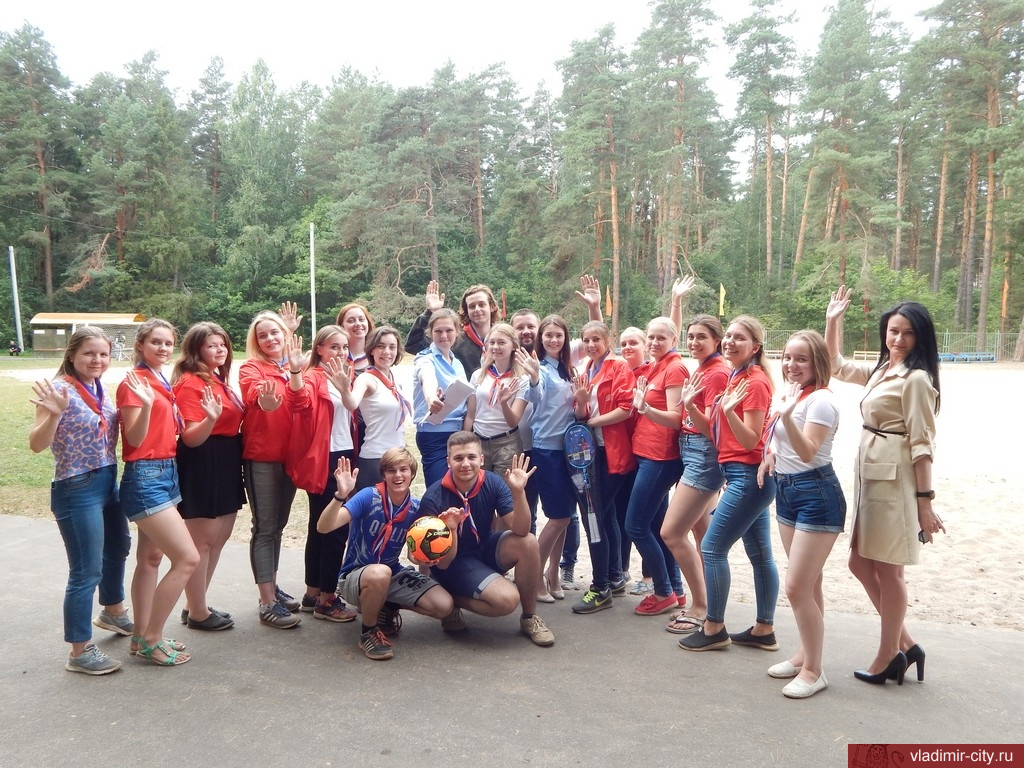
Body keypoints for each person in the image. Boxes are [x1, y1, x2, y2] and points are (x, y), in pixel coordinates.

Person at [825, 287, 944, 686]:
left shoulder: (916, 379)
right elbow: (837, 366)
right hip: (872, 477)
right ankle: (906, 645)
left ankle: (888, 653)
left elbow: (923, 444)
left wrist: (925, 502)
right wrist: (833, 321)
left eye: (908, 333)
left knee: (890, 573)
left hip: (895, 482)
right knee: (859, 563)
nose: (898, 339)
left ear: (920, 337)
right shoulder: (882, 369)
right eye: (893, 331)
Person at [29, 327, 133, 674]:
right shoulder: (58, 390)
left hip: (107, 479)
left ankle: (113, 611)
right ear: (72, 355)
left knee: (118, 548)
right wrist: (54, 414)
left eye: (103, 354)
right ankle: (79, 650)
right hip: (76, 486)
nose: (97, 360)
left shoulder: (99, 387)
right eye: (89, 353)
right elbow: (36, 444)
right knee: (86, 569)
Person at [679, 315, 779, 652]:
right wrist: (691, 405)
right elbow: (715, 431)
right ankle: (764, 629)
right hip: (740, 474)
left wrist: (731, 412)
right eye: (730, 336)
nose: (731, 343)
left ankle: (714, 628)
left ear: (756, 346)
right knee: (760, 554)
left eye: (740, 338)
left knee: (711, 548)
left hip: (748, 476)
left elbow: (750, 440)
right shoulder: (738, 375)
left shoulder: (755, 382)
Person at [758, 330, 846, 698]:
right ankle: (804, 656)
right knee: (810, 584)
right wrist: (769, 456)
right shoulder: (794, 394)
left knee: (796, 587)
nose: (791, 365)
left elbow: (809, 451)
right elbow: (781, 441)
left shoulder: (821, 401)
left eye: (801, 359)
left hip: (816, 494)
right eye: (787, 357)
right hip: (788, 491)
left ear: (817, 363)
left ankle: (814, 671)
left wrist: (787, 415)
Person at [317, 450, 459, 660]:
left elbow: (413, 557)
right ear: (383, 474)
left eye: (403, 470)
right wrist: (340, 495)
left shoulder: (415, 508)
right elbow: (323, 527)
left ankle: (386, 605)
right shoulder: (368, 496)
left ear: (412, 473)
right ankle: (369, 632)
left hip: (391, 574)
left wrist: (427, 557)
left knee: (444, 605)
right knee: (380, 573)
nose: (398, 475)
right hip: (354, 576)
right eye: (391, 470)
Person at [420, 432, 555, 647]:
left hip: (483, 547)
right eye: (458, 458)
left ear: (481, 459)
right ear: (448, 462)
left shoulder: (492, 482)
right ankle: (450, 599)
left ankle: (530, 618)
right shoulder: (434, 497)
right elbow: (441, 562)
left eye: (471, 457)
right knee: (507, 601)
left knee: (528, 542)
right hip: (454, 562)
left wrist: (518, 492)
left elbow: (521, 530)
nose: (466, 464)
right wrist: (451, 529)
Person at [117, 319, 200, 666]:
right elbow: (134, 440)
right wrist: (148, 405)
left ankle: (139, 635)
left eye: (168, 343)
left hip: (167, 472)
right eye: (155, 342)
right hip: (145, 475)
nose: (163, 348)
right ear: (140, 344)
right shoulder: (134, 382)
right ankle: (153, 638)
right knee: (188, 559)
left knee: (150, 559)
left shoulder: (160, 378)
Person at [171, 322, 246, 632]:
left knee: (218, 539)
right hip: (204, 459)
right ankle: (198, 612)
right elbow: (190, 437)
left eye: (223, 344)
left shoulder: (216, 379)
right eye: (212, 345)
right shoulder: (191, 382)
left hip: (226, 457)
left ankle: (195, 603)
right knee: (202, 542)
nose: (220, 349)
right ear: (196, 350)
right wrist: (211, 421)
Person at [660, 313, 730, 635]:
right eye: (690, 336)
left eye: (702, 336)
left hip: (703, 455)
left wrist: (689, 408)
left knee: (672, 533)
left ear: (717, 340)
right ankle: (710, 605)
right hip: (693, 451)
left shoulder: (716, 373)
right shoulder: (703, 368)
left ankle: (700, 606)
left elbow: (713, 429)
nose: (694, 342)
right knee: (703, 535)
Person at [285, 327, 358, 623]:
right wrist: (295, 371)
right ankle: (328, 598)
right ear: (320, 349)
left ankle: (312, 592)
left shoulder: (344, 374)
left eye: (344, 347)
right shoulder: (314, 376)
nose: (340, 352)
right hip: (326, 459)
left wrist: (344, 386)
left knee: (318, 527)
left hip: (343, 452)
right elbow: (298, 401)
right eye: (334, 347)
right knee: (335, 528)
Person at [239, 310, 302, 628]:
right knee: (264, 528)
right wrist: (266, 401)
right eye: (262, 335)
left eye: (274, 332)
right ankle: (266, 602)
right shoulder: (251, 367)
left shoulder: (295, 364)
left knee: (278, 526)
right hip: (262, 457)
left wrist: (288, 335)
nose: (269, 339)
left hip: (290, 458)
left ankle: (272, 588)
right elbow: (256, 397)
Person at [569, 321, 635, 613]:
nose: (591, 344)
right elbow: (580, 411)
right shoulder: (585, 369)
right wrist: (582, 406)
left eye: (596, 339)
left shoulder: (618, 367)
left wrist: (590, 422)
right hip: (592, 453)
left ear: (608, 340)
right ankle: (614, 577)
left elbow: (626, 408)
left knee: (593, 517)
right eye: (586, 340)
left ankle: (600, 587)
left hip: (613, 452)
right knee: (605, 517)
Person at [626, 317, 689, 616]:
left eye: (661, 338)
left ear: (674, 339)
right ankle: (675, 589)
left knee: (635, 526)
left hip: (660, 459)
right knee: (655, 526)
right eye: (650, 336)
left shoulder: (675, 368)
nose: (653, 342)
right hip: (647, 455)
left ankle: (663, 591)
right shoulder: (657, 365)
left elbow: (677, 418)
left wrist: (646, 409)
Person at [521, 315, 579, 604]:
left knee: (565, 517)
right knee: (557, 517)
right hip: (547, 450)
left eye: (559, 335)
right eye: (548, 335)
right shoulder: (539, 369)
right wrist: (533, 377)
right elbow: (535, 396)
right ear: (540, 339)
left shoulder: (567, 369)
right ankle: (533, 579)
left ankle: (553, 574)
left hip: (569, 450)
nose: (554, 340)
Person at [335, 325, 412, 490]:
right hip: (375, 459)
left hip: (398, 457)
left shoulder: (395, 380)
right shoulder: (366, 379)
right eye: (381, 346)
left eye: (392, 347)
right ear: (372, 350)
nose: (387, 352)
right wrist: (344, 390)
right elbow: (352, 403)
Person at [412, 309, 469, 489]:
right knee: (439, 489)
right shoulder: (425, 359)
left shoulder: (457, 363)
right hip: (433, 435)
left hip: (458, 434)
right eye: (438, 331)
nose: (444, 335)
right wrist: (431, 399)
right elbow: (427, 378)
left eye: (449, 330)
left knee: (460, 489)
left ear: (457, 332)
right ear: (430, 333)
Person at [463, 323, 529, 475]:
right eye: (492, 342)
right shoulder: (478, 375)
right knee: (479, 487)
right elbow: (471, 414)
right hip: (479, 441)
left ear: (513, 346)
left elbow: (513, 421)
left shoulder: (521, 379)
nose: (495, 347)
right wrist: (466, 441)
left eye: (501, 342)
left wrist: (504, 402)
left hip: (507, 444)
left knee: (503, 488)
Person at [405, 282, 500, 375]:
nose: (477, 309)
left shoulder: (502, 337)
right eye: (472, 306)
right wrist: (429, 313)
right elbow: (413, 346)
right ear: (466, 311)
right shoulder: (454, 337)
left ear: (492, 307)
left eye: (482, 305)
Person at [335, 302, 375, 375]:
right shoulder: (334, 357)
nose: (358, 324)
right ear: (341, 326)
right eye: (351, 321)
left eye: (361, 319)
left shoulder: (376, 356)